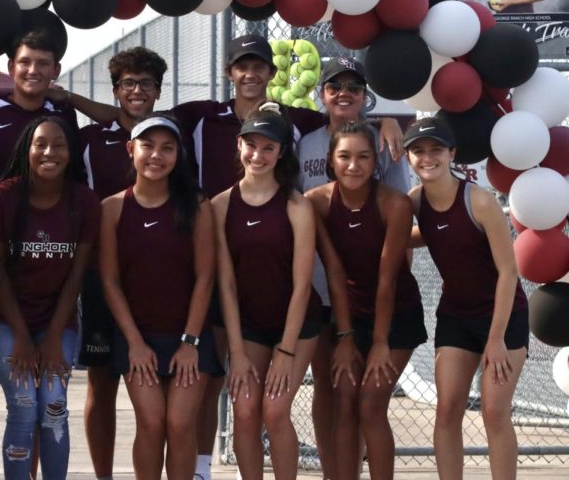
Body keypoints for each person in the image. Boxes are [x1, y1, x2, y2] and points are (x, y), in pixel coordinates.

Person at [52, 36, 403, 479]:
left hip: (281, 313)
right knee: (221, 403)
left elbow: (343, 117)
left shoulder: (294, 173)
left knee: (263, 409)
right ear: (229, 73)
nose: (251, 74)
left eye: (259, 66)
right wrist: (68, 98)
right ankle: (177, 469)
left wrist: (385, 120)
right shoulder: (204, 150)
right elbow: (135, 116)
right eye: (242, 65)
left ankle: (208, 468)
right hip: (227, 305)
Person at [0, 29, 79, 480]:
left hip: (49, 263)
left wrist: (69, 97)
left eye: (43, 63)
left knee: (37, 399)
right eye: (25, 62)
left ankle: (31, 472)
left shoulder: (64, 115)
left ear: (55, 71)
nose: (33, 70)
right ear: (11, 67)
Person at [296, 57, 411, 476]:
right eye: (334, 85)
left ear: (366, 96)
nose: (343, 93)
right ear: (321, 93)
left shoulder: (383, 140)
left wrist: (388, 122)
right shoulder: (303, 141)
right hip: (322, 288)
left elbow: (396, 231)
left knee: (366, 400)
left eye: (353, 86)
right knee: (331, 389)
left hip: (377, 290)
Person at [403, 118, 527, 480]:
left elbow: (509, 272)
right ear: (409, 157)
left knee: (493, 411)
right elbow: (423, 233)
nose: (428, 158)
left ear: (452, 154)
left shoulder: (481, 201)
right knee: (446, 411)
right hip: (455, 317)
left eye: (436, 150)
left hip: (503, 318)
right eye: (419, 151)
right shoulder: (414, 201)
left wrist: (496, 339)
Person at [0, 116, 99, 480]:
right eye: (41, 144)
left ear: (70, 152)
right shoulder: (3, 198)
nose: (50, 152)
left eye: (59, 145)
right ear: (27, 149)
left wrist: (50, 338)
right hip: (3, 318)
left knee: (53, 405)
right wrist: (21, 337)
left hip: (56, 320)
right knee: (24, 404)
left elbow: (77, 275)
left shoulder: (84, 201)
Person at [99, 115, 219, 480]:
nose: (156, 155)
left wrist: (190, 342)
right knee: (151, 423)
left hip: (189, 337)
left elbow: (205, 277)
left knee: (181, 424)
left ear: (178, 155)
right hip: (138, 336)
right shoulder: (112, 208)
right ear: (131, 149)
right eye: (148, 146)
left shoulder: (197, 206)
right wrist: (134, 343)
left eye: (167, 148)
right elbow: (110, 280)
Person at [305, 121, 426, 480]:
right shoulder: (317, 203)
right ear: (331, 161)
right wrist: (344, 338)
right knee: (344, 402)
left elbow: (388, 279)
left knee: (371, 406)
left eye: (363, 157)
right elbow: (335, 275)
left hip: (396, 317)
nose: (353, 165)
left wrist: (379, 343)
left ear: (376, 162)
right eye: (344, 157)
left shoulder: (395, 204)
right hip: (349, 315)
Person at [213, 109, 320, 480]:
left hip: (297, 325)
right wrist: (238, 352)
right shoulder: (220, 206)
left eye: (268, 148)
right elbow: (225, 283)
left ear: (281, 152)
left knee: (274, 411)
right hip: (249, 325)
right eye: (251, 145)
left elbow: (303, 285)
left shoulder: (296, 205)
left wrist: (286, 352)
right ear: (239, 145)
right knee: (244, 410)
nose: (257, 155)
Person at [77, 47, 167, 480]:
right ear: (116, 90)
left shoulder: (172, 136)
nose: (137, 91)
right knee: (102, 383)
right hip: (100, 275)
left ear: (158, 91)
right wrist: (71, 99)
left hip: (159, 277)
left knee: (159, 388)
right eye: (128, 83)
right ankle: (103, 475)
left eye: (146, 84)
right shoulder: (90, 141)